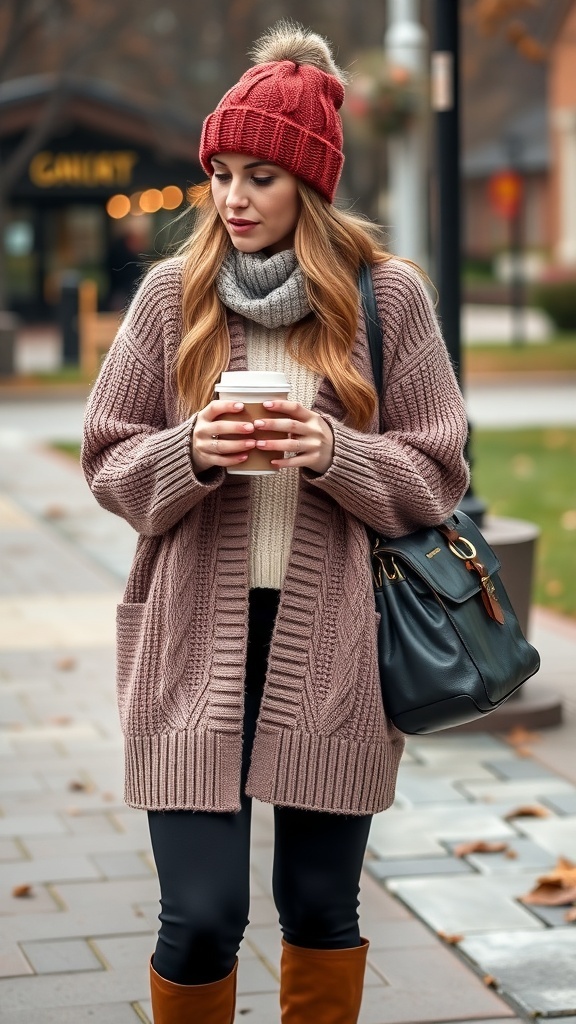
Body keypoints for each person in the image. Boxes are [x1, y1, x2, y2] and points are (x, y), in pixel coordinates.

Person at [82, 20, 469, 1024]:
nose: (232, 197)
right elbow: (108, 457)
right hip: (186, 651)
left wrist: (332, 454)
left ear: (311, 181)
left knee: (317, 909)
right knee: (201, 916)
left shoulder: (388, 300)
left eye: (261, 175)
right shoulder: (175, 295)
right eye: (222, 172)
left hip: (336, 651)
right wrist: (197, 450)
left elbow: (438, 472)